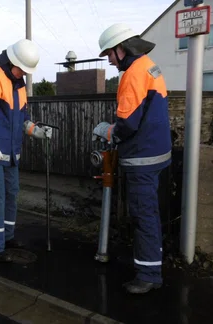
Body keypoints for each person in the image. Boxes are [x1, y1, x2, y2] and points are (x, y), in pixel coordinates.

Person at [92, 24, 171, 294]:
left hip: (142, 158)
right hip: (158, 153)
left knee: (143, 215)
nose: (110, 59)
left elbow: (127, 124)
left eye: (110, 54)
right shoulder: (150, 66)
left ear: (122, 48)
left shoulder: (133, 74)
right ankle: (153, 263)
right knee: (151, 213)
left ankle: (149, 275)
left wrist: (108, 131)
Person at [0, 39, 52, 263]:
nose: (25, 74)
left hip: (12, 154)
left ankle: (7, 238)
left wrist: (36, 130)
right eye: (23, 69)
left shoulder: (19, 84)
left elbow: (22, 118)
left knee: (11, 196)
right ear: (13, 62)